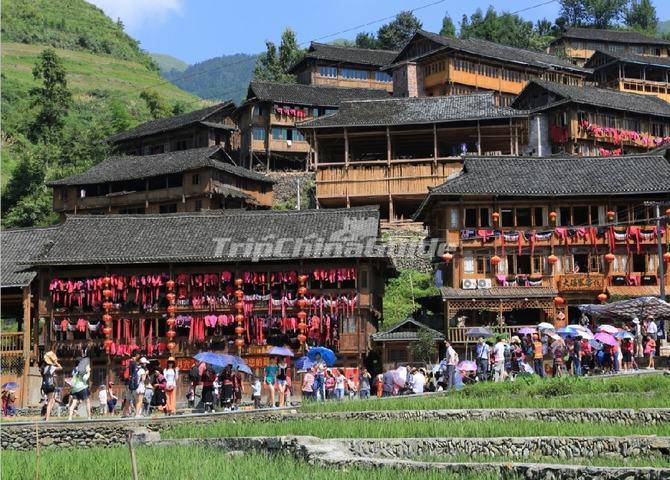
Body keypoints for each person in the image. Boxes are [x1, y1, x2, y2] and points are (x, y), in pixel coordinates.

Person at [41, 351, 62, 421]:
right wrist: (55, 362)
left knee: (52, 401)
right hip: (50, 386)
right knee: (50, 402)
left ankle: (46, 416)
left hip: (44, 387)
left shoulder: (43, 368)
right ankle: (47, 418)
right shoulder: (51, 367)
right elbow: (60, 368)